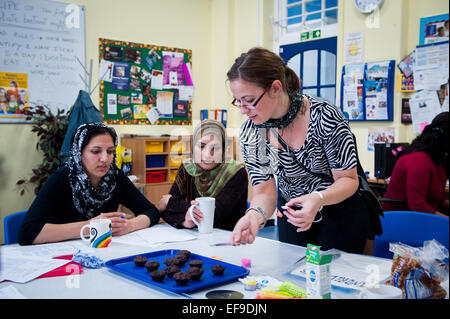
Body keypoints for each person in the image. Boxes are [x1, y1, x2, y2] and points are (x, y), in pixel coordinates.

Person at [226, 47, 370, 253]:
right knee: (293, 277)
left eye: (249, 101)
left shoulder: (324, 116)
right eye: (238, 101)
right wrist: (254, 216)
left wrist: (318, 198)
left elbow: (349, 180)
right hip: (293, 214)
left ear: (275, 88)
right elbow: (265, 192)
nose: (242, 110)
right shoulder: (251, 131)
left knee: (334, 278)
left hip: (340, 211)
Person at [18, 123, 160, 245]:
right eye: (95, 151)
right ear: (79, 153)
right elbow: (28, 233)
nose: (105, 159)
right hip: (64, 255)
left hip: (102, 252)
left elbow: (151, 211)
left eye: (110, 151)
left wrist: (128, 226)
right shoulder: (61, 178)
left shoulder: (114, 176)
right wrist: (90, 226)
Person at [158, 120, 248, 231]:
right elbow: (166, 212)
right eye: (201, 146)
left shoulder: (235, 172)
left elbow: (213, 219)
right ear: (193, 146)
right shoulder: (188, 168)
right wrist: (185, 222)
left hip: (228, 241)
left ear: (224, 149)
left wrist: (171, 201)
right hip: (194, 239)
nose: (207, 155)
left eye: (215, 148)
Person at [382, 112, 449, 216]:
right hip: (401, 219)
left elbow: (436, 194)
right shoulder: (419, 160)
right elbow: (417, 205)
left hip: (421, 216)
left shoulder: (437, 157)